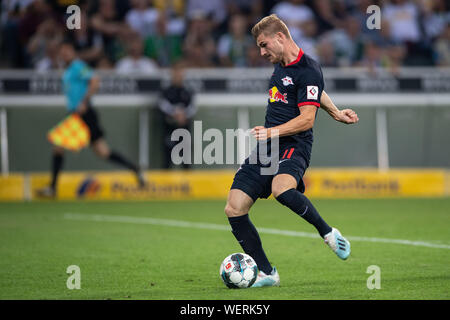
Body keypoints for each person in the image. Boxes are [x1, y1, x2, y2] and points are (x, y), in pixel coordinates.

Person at [224, 14, 359, 287]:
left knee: (282, 190)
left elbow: (307, 118)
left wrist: (272, 131)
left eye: (264, 45)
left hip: (294, 144)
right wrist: (335, 112)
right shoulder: (282, 65)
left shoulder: (308, 67)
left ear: (280, 38)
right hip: (268, 147)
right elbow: (314, 92)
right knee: (234, 207)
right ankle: (267, 273)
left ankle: (328, 233)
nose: (262, 52)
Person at [36, 41, 145, 198]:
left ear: (73, 52)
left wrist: (84, 101)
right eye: (63, 52)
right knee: (103, 152)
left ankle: (52, 188)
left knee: (58, 145)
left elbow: (95, 80)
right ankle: (134, 168)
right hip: (79, 114)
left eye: (68, 50)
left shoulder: (78, 66)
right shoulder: (67, 70)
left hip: (83, 113)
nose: (65, 54)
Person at [158, 62, 196, 169]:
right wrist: (175, 113)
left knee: (186, 160)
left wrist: (183, 114)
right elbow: (162, 104)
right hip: (170, 129)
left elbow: (192, 107)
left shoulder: (188, 91)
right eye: (176, 72)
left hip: (184, 130)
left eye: (181, 72)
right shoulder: (166, 91)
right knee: (167, 160)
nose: (179, 75)